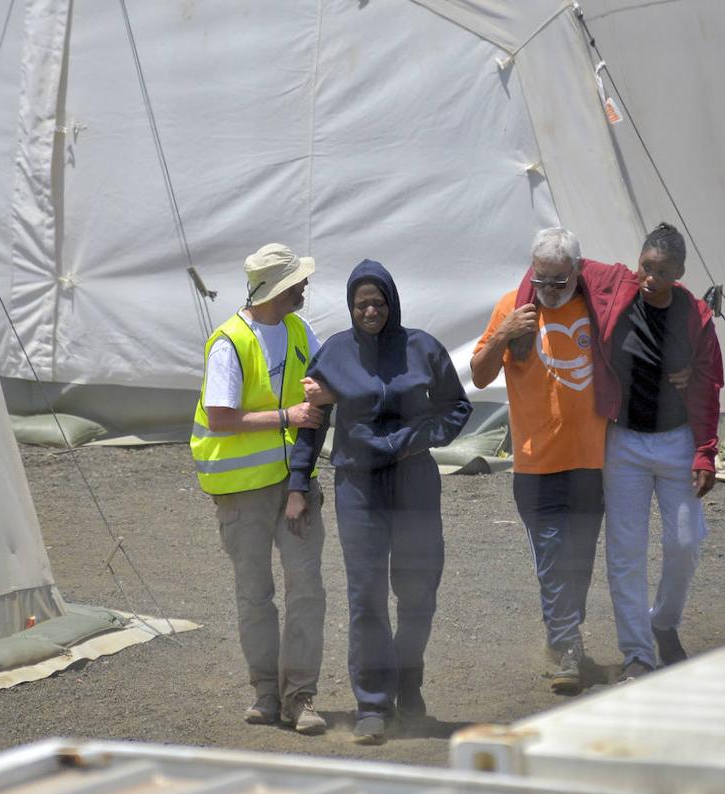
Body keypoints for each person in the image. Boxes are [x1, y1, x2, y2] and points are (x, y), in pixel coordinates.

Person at [513, 223, 723, 681]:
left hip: (676, 441)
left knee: (685, 543)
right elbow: (549, 269)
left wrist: (705, 452)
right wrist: (521, 316)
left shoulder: (695, 315)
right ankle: (637, 654)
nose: (651, 278)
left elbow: (708, 386)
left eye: (663, 272)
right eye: (647, 267)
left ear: (680, 273)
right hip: (623, 440)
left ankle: (663, 621)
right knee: (625, 551)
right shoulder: (616, 284)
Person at [288, 259, 471, 745]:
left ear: (392, 302)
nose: (371, 310)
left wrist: (424, 436)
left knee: (418, 593)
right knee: (366, 596)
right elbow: (312, 422)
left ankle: (408, 684)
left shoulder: (422, 347)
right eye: (361, 303)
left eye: (378, 301)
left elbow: (457, 405)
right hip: (359, 486)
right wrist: (296, 485)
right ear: (350, 307)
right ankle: (372, 703)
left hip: (414, 482)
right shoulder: (334, 354)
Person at [189, 243, 328, 734]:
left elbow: (320, 390)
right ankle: (267, 694)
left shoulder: (299, 330)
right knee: (255, 594)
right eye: (299, 281)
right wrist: (288, 416)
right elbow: (223, 418)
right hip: (242, 492)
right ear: (279, 288)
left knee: (306, 588)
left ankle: (300, 698)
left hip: (295, 484)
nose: (306, 285)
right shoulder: (229, 342)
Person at [470, 227, 607, 694]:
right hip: (535, 464)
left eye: (559, 281)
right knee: (553, 559)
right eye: (541, 279)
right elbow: (481, 375)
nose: (549, 290)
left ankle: (566, 634)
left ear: (578, 271)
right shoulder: (513, 306)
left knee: (581, 558)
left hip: (591, 460)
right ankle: (566, 646)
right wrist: (505, 333)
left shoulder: (594, 306)